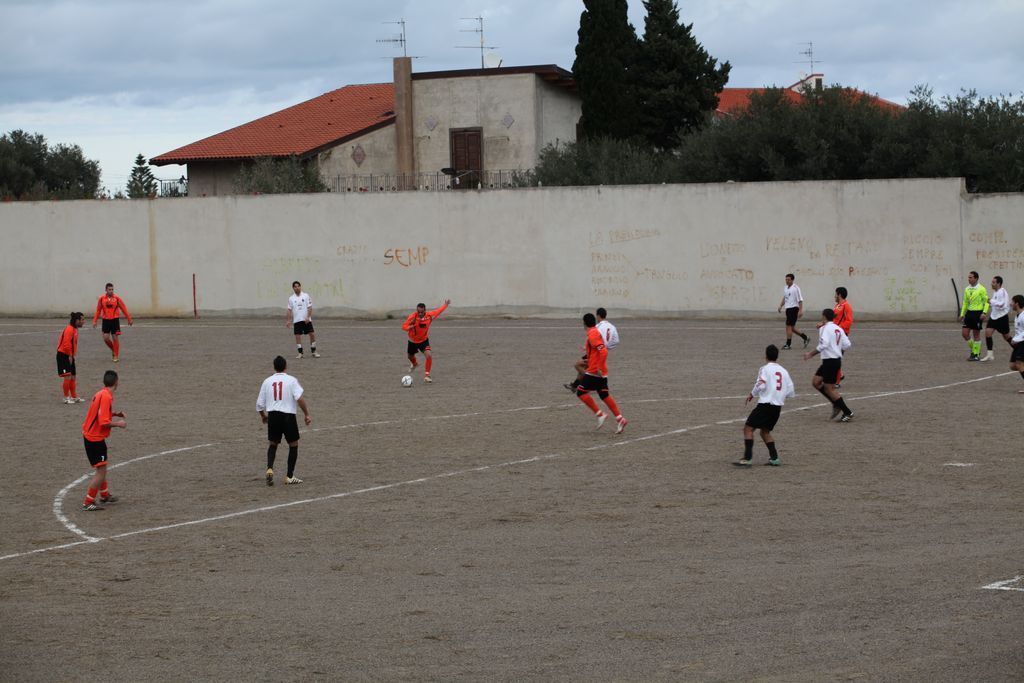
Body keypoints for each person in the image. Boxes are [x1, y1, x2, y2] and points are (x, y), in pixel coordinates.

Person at [734, 344, 794, 467]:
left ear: (766, 356)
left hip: (765, 404)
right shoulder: (784, 371)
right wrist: (778, 396)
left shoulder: (765, 369)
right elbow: (790, 391)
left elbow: (761, 384)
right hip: (777, 407)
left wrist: (752, 394)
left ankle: (747, 458)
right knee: (765, 431)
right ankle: (774, 458)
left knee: (748, 428)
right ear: (777, 356)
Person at [256, 355, 312, 486]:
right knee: (293, 444)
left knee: (273, 443)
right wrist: (306, 414)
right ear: (286, 366)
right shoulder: (291, 380)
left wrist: (263, 416)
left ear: (274, 367)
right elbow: (299, 399)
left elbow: (259, 404)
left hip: (273, 415)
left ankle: (270, 468)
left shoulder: (267, 381)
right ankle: (289, 476)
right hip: (288, 416)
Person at [573, 312, 628, 434]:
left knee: (581, 392)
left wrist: (597, 367)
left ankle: (600, 414)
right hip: (601, 370)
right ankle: (620, 419)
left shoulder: (592, 334)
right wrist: (590, 359)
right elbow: (598, 351)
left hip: (595, 371)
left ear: (584, 323)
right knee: (604, 395)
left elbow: (603, 351)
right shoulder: (594, 332)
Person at [80, 370, 127, 511]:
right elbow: (103, 422)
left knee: (102, 467)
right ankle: (88, 502)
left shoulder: (101, 393)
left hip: (90, 436)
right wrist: (118, 424)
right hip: (94, 439)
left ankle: (105, 495)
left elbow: (98, 413)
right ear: (116, 382)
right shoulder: (106, 397)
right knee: (101, 471)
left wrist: (114, 413)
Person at [804, 308, 854, 422]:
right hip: (832, 360)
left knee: (829, 388)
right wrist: (836, 349)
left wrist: (811, 354)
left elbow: (824, 345)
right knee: (816, 382)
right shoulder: (838, 328)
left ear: (824, 316)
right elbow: (847, 344)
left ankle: (847, 412)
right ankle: (835, 404)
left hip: (830, 361)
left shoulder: (826, 328)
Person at [565, 307, 620, 392]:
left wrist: (590, 347)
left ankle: (588, 384)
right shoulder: (612, 327)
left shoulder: (597, 326)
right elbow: (616, 341)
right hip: (601, 351)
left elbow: (594, 338)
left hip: (595, 352)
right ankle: (575, 386)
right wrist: (606, 347)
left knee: (579, 365)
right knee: (584, 366)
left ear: (598, 316)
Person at [402, 298, 450, 383]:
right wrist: (409, 327)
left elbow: (438, 311)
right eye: (418, 312)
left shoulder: (429, 316)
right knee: (410, 356)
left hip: (423, 341)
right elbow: (404, 326)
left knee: (429, 355)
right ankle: (415, 364)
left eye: (422, 312)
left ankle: (427, 376)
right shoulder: (412, 317)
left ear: (425, 310)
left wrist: (446, 304)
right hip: (412, 341)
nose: (420, 314)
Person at [92, 282, 132, 362]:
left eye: (112, 289)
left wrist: (129, 318)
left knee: (115, 338)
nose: (111, 291)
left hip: (115, 320)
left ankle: (116, 356)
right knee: (106, 338)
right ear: (106, 290)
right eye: (109, 289)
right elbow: (98, 310)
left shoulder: (117, 299)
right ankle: (114, 349)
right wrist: (94, 321)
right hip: (106, 320)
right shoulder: (101, 299)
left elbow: (123, 308)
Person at [959, 270, 989, 361]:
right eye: (968, 277)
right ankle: (975, 350)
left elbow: (986, 302)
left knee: (976, 334)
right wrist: (962, 314)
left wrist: (984, 313)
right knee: (965, 334)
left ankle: (975, 354)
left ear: (976, 278)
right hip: (969, 313)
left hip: (978, 313)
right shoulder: (967, 289)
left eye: (971, 277)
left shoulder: (981, 288)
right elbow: (965, 302)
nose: (969, 279)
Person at [57, 312, 85, 404]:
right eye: (82, 320)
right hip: (63, 355)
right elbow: (66, 343)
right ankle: (66, 398)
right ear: (77, 320)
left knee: (73, 376)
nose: (83, 322)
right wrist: (69, 355)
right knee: (68, 376)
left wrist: (72, 355)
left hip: (70, 355)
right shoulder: (69, 329)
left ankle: (74, 397)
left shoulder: (75, 329)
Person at [981, 276, 1011, 362]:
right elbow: (993, 303)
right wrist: (986, 309)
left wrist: (991, 301)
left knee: (1006, 337)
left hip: (1002, 317)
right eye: (992, 282)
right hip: (994, 317)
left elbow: (1002, 305)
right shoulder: (995, 292)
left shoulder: (1003, 292)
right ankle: (990, 355)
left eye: (993, 282)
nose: (992, 284)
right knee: (987, 333)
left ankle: (1019, 349)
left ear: (999, 283)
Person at [287, 281, 319, 359]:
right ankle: (300, 353)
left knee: (312, 334)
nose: (297, 288)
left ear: (300, 287)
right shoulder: (291, 298)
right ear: (293, 288)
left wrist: (308, 317)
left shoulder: (306, 296)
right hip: (297, 320)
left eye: (298, 286)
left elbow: (310, 307)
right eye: (295, 286)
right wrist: (288, 320)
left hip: (306, 320)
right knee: (297, 336)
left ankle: (314, 351)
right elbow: (289, 310)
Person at [777, 273, 809, 350]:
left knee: (788, 326)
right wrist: (780, 305)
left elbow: (800, 300)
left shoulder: (795, 288)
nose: (787, 281)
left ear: (792, 280)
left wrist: (800, 310)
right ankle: (805, 338)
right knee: (792, 328)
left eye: (788, 280)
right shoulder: (785, 288)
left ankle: (788, 344)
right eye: (786, 279)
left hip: (794, 309)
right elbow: (785, 297)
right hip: (788, 309)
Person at [1009, 294, 1024, 393]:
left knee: (1019, 365)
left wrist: (1017, 339)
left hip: (1022, 342)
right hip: (1018, 343)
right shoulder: (1017, 315)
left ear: (1017, 303)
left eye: (1012, 302)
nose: (1010, 304)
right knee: (1012, 365)